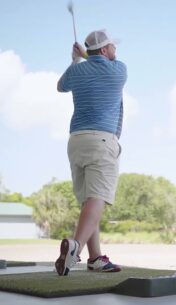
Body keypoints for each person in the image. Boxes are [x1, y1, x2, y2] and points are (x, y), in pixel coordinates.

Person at [55, 29, 127, 276]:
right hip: (102, 141)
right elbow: (103, 63)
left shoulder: (76, 71)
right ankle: (76, 246)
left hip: (76, 141)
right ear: (105, 50)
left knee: (89, 200)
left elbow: (60, 86)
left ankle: (95, 257)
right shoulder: (118, 70)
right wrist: (85, 54)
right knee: (97, 199)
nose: (115, 51)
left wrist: (76, 58)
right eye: (112, 47)